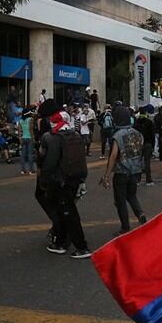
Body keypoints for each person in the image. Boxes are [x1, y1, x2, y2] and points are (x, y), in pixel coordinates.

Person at [39, 108, 92, 259]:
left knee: (68, 213)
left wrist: (44, 180)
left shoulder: (50, 137)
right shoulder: (75, 135)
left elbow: (47, 162)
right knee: (65, 211)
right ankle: (61, 242)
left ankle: (82, 247)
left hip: (59, 181)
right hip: (75, 178)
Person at [100, 106, 147, 235]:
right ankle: (141, 214)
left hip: (121, 172)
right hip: (135, 171)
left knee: (120, 200)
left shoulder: (117, 135)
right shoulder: (138, 134)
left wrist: (106, 175)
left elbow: (113, 156)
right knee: (132, 196)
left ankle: (125, 227)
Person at [133, 108, 155, 186]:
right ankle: (148, 180)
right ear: (146, 112)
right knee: (147, 162)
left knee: (138, 162)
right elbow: (152, 135)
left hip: (138, 145)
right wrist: (153, 145)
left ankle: (137, 180)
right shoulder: (149, 122)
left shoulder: (136, 122)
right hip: (148, 144)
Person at [18, 109, 36, 174]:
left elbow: (19, 131)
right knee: (30, 154)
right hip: (29, 138)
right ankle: (31, 169)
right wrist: (33, 138)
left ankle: (23, 170)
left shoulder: (20, 121)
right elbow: (31, 129)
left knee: (23, 154)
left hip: (23, 138)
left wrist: (20, 138)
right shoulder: (30, 119)